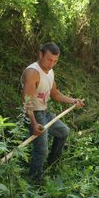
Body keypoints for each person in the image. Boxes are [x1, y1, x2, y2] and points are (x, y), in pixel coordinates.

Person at [21, 42, 84, 181]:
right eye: (48, 59)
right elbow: (26, 101)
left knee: (63, 132)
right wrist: (34, 123)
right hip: (33, 114)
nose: (51, 64)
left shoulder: (50, 72)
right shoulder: (33, 73)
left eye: (55, 61)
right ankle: (34, 181)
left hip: (44, 112)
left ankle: (52, 164)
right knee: (41, 151)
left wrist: (73, 100)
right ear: (40, 55)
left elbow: (55, 94)